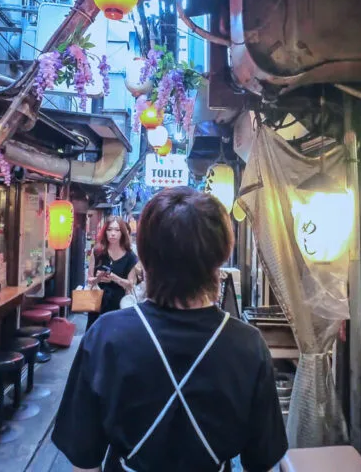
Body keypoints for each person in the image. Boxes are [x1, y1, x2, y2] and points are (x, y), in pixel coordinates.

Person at [53, 187, 288, 472]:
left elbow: (84, 459)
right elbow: (261, 462)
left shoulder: (106, 336)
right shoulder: (248, 345)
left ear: (147, 257)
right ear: (221, 256)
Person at [86, 215, 139, 326]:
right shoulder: (97, 251)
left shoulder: (130, 257)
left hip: (118, 305)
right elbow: (89, 279)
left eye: (117, 230)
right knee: (94, 336)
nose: (113, 233)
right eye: (109, 230)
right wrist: (98, 278)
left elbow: (130, 285)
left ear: (122, 233)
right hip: (97, 303)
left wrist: (113, 277)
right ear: (105, 232)